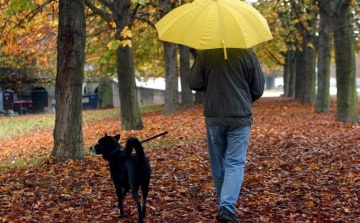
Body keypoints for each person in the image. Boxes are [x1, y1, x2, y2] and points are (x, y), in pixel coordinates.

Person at [187, 48, 265, 223]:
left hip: (215, 119)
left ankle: (225, 207)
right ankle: (226, 207)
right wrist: (242, 100)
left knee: (219, 164)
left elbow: (194, 83)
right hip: (239, 118)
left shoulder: (206, 54)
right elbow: (258, 88)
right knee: (235, 162)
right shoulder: (248, 54)